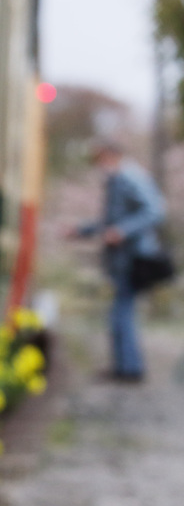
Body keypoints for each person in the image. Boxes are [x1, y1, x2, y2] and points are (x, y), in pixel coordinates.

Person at [66, 141, 166, 383]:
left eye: (101, 159)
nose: (100, 165)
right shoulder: (116, 180)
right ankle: (125, 366)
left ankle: (130, 368)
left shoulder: (129, 177)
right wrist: (82, 230)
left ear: (112, 156)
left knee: (122, 312)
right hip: (123, 258)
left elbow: (155, 210)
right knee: (121, 311)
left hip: (133, 258)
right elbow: (109, 223)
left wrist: (123, 230)